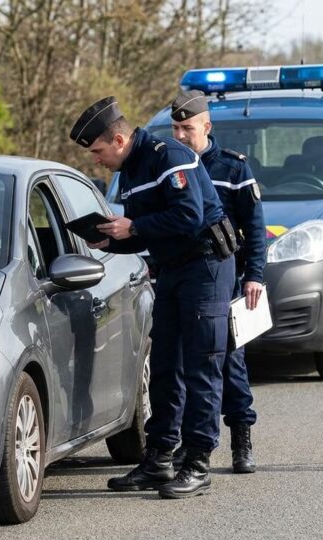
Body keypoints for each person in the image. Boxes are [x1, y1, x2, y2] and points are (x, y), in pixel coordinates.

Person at [69, 96, 235, 499]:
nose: (96, 160)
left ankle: (197, 462)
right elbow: (147, 232)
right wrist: (110, 238)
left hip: (206, 267)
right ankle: (159, 457)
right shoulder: (131, 169)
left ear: (120, 139)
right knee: (164, 366)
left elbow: (188, 216)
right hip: (174, 268)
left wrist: (133, 226)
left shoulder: (166, 156)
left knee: (200, 364)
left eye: (98, 151)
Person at [168, 90, 266, 474]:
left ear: (206, 127)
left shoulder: (232, 168)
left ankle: (241, 437)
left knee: (229, 360)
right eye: (175, 127)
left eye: (187, 127)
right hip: (182, 277)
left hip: (225, 277)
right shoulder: (169, 168)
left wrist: (255, 276)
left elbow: (255, 229)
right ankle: (189, 442)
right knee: (182, 363)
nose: (179, 135)